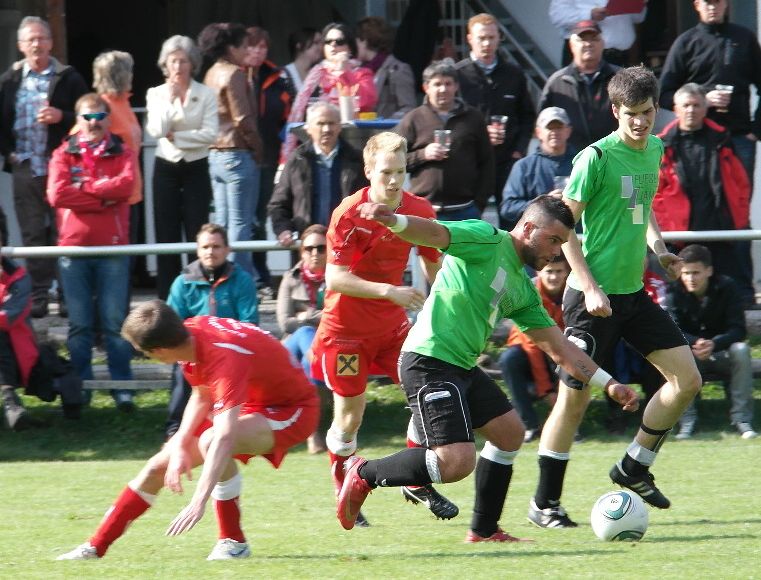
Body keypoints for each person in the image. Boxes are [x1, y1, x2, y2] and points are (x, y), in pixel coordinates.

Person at [335, 195, 639, 540]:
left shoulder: (523, 290)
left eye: (562, 244)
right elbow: (435, 234)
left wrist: (609, 383)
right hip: (429, 359)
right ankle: (364, 473)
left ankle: (484, 529)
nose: (556, 252)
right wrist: (395, 221)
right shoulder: (484, 237)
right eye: (553, 240)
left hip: (461, 367)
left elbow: (559, 347)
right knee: (457, 462)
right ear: (527, 228)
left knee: (510, 434)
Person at [528, 66, 702, 530]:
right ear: (615, 111)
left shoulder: (656, 148)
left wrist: (660, 249)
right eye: (631, 115)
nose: (640, 123)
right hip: (590, 299)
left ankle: (634, 466)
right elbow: (565, 231)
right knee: (575, 401)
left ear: (656, 108)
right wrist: (587, 285)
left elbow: (641, 210)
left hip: (632, 294)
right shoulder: (595, 159)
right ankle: (544, 503)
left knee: (687, 380)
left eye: (647, 113)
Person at [56, 300, 319, 561]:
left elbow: (225, 437)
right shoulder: (190, 333)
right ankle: (94, 548)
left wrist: (198, 500)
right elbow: (202, 393)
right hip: (250, 403)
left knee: (213, 439)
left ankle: (233, 541)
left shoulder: (224, 357)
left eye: (144, 352)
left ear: (159, 350)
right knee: (157, 467)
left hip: (293, 409)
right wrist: (180, 444)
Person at [312, 131, 456, 527]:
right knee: (349, 419)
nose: (394, 182)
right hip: (345, 332)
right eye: (385, 173)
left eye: (401, 172)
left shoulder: (419, 209)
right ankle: (345, 492)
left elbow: (432, 262)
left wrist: (441, 305)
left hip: (393, 329)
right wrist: (388, 291)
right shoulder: (349, 212)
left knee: (424, 397)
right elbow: (335, 278)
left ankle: (416, 482)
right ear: (368, 171)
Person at [46, 93, 136, 411]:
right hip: (73, 250)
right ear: (78, 121)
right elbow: (56, 194)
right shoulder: (63, 153)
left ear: (108, 120)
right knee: (80, 324)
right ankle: (80, 388)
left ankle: (122, 389)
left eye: (99, 117)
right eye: (87, 117)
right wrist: (101, 196)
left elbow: (126, 187)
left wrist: (82, 190)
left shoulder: (122, 150)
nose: (93, 123)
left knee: (115, 324)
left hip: (112, 247)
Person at [0, 16, 88, 318]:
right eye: (31, 40)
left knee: (65, 233)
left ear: (51, 42)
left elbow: (89, 116)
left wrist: (61, 117)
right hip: (25, 167)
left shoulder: (69, 77)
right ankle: (38, 296)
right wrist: (8, 153)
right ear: (20, 46)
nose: (37, 44)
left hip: (61, 168)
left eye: (42, 38)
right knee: (32, 234)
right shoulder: (9, 80)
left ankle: (66, 295)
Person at [654, 83, 753, 306]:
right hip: (679, 232)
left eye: (697, 105)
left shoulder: (722, 138)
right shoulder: (661, 144)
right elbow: (654, 191)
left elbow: (741, 182)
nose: (691, 110)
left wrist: (739, 214)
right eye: (686, 105)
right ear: (676, 108)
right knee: (678, 290)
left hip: (720, 225)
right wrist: (667, 223)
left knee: (727, 285)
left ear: (705, 108)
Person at [164, 223, 258, 439]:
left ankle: (235, 428)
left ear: (227, 249)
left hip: (232, 350)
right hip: (192, 350)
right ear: (197, 250)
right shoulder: (182, 282)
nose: (210, 252)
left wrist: (224, 345)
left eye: (216, 246)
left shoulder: (242, 280)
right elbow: (173, 324)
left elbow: (249, 323)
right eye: (205, 247)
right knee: (181, 369)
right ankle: (174, 430)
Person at [659, 0, 761, 191]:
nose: (712, 7)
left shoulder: (744, 38)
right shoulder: (686, 43)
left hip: (738, 137)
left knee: (738, 204)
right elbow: (664, 94)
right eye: (707, 2)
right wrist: (702, 101)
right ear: (697, 4)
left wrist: (756, 130)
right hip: (696, 141)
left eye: (717, 2)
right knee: (699, 203)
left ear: (726, 4)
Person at [145, 35, 218, 300]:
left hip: (196, 168)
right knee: (166, 233)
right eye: (173, 61)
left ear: (192, 63)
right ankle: (167, 296)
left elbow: (211, 133)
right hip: (166, 167)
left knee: (196, 229)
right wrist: (170, 101)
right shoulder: (156, 94)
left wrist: (178, 137)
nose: (178, 66)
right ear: (165, 64)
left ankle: (196, 291)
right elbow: (157, 130)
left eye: (183, 60)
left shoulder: (205, 93)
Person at [666, 244, 758, 440]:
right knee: (675, 355)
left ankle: (742, 420)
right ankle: (686, 422)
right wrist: (695, 342)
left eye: (696, 272)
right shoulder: (674, 291)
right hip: (690, 356)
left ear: (709, 270)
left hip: (721, 352)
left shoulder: (728, 287)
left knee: (741, 350)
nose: (691, 278)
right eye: (686, 273)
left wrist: (714, 344)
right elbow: (672, 330)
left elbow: (738, 329)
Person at [455, 12, 536, 226]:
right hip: (470, 160)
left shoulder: (513, 73)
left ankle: (510, 260)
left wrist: (519, 151)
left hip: (507, 160)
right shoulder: (457, 75)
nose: (487, 43)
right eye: (481, 37)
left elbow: (528, 117)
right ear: (470, 38)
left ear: (499, 38)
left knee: (512, 221)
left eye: (491, 37)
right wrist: (480, 133)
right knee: (468, 223)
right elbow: (451, 118)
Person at [200, 22, 263, 282]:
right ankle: (240, 283)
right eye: (243, 46)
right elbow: (243, 119)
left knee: (223, 226)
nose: (247, 51)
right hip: (237, 152)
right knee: (240, 227)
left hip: (216, 153)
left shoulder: (211, 73)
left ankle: (219, 279)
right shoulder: (235, 73)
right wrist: (259, 148)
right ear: (231, 47)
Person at [395, 60, 494, 221]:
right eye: (437, 84)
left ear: (456, 86)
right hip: (424, 209)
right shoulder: (413, 118)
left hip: (465, 210)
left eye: (448, 84)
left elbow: (487, 162)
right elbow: (393, 160)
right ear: (426, 87)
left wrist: (479, 204)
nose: (443, 89)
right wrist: (422, 154)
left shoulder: (473, 118)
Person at [268, 102, 367, 247]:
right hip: (309, 249)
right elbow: (278, 205)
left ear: (339, 126)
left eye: (331, 123)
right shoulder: (297, 159)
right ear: (308, 128)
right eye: (320, 123)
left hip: (348, 246)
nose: (326, 129)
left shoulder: (357, 160)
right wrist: (283, 230)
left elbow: (369, 202)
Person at [499, 256, 570, 443]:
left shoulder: (574, 293)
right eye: (549, 271)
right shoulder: (529, 292)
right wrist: (546, 390)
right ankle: (529, 425)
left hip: (560, 350)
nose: (554, 277)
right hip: (531, 353)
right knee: (509, 360)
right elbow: (533, 346)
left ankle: (569, 423)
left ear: (567, 272)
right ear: (539, 273)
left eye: (558, 271)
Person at [244, 26, 292, 298]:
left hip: (269, 157)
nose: (258, 52)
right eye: (252, 46)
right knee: (243, 221)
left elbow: (287, 117)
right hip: (242, 157)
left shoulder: (277, 77)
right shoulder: (234, 75)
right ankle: (247, 275)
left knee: (259, 219)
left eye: (262, 47)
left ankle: (261, 277)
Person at [283, 22, 378, 159]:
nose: (333, 45)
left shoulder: (362, 73)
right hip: (320, 143)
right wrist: (284, 158)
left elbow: (367, 102)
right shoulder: (316, 74)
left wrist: (345, 73)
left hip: (355, 144)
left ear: (350, 47)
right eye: (328, 42)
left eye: (339, 41)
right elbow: (297, 112)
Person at [276, 223, 330, 453]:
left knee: (312, 353)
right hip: (292, 346)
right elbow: (284, 322)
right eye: (309, 249)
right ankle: (313, 432)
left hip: (329, 343)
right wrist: (316, 318)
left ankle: (312, 432)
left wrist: (305, 315)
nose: (315, 253)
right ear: (301, 252)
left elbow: (340, 316)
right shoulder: (290, 278)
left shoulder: (340, 277)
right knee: (307, 335)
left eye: (320, 248)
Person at [538, 20, 619, 153]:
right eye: (582, 39)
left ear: (603, 43)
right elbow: (542, 126)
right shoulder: (557, 83)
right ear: (571, 44)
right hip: (571, 161)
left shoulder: (621, 78)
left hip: (613, 157)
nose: (588, 44)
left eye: (594, 39)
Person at [500, 106, 574, 231]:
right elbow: (507, 208)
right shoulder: (523, 166)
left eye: (559, 127)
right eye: (550, 127)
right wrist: (544, 203)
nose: (555, 132)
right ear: (538, 132)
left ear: (568, 131)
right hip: (537, 240)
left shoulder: (581, 163)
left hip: (576, 237)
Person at [92, 51, 142, 206]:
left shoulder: (124, 102)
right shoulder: (101, 106)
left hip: (131, 190)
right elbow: (79, 138)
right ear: (121, 75)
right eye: (130, 71)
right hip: (113, 196)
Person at [549, 1, 648, 66]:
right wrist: (589, 14)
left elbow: (638, 19)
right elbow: (557, 16)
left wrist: (640, 5)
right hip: (587, 55)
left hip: (622, 56)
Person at [355, 16, 417, 119]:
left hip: (387, 132)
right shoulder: (358, 70)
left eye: (355, 42)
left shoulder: (399, 69)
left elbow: (408, 109)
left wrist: (384, 123)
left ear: (364, 41)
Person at [283, 27, 323, 96]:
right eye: (316, 43)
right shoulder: (283, 75)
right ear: (299, 45)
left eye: (321, 43)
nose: (321, 47)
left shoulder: (322, 72)